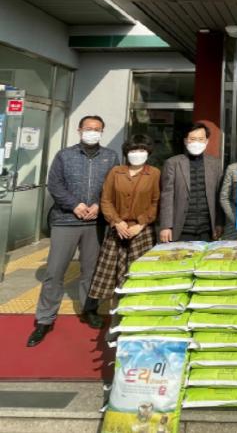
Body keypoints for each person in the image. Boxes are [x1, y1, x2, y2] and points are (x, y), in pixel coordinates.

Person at [27, 115, 119, 347]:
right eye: (88, 128)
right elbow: (55, 184)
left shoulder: (110, 156)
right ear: (79, 130)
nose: (92, 132)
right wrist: (74, 205)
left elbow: (113, 187)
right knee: (55, 271)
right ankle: (45, 319)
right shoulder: (64, 155)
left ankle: (90, 309)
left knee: (91, 271)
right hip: (65, 220)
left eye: (97, 129)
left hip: (96, 222)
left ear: (102, 132)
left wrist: (99, 205)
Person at [83, 134, 160, 318]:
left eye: (141, 150)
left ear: (148, 152)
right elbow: (106, 199)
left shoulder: (155, 173)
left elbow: (156, 202)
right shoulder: (116, 172)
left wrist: (141, 223)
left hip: (141, 231)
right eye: (133, 150)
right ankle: (104, 310)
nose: (137, 153)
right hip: (117, 229)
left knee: (138, 272)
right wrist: (116, 221)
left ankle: (137, 312)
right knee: (108, 272)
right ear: (126, 152)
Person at [159, 122, 224, 242]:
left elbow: (219, 196)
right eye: (192, 139)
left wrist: (219, 223)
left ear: (206, 141)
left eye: (201, 139)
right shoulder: (173, 163)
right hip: (181, 228)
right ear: (185, 141)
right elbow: (167, 196)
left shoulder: (215, 164)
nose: (196, 142)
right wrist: (166, 226)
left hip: (207, 229)